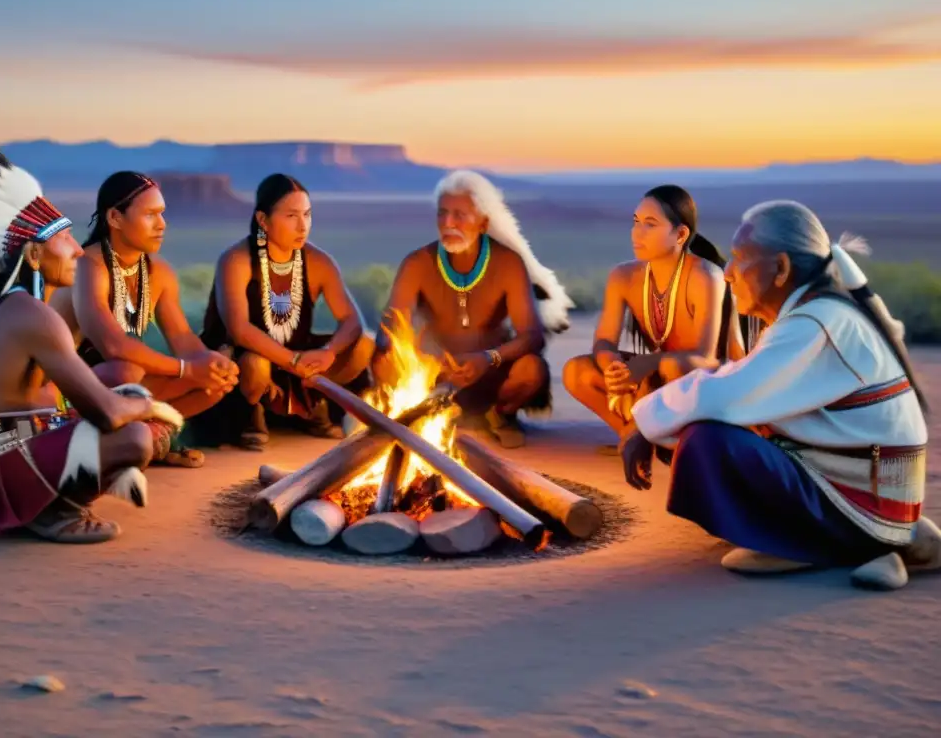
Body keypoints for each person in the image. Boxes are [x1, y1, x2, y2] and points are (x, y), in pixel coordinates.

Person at [628, 200, 939, 590]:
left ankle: (815, 545)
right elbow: (743, 388)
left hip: (864, 506)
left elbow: (727, 396)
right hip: (876, 498)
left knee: (706, 439)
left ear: (781, 269)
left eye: (739, 258)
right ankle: (875, 542)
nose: (727, 273)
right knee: (709, 420)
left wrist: (643, 424)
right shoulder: (819, 313)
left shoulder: (816, 322)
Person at [0, 134, 183, 544]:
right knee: (135, 436)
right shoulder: (33, 315)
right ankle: (52, 511)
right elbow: (108, 414)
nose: (78, 251)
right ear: (35, 256)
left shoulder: (13, 305)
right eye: (64, 240)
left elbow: (52, 398)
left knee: (124, 396)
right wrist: (150, 408)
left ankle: (49, 492)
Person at [372, 170, 574, 449]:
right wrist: (430, 360)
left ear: (483, 223)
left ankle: (499, 416)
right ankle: (423, 416)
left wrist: (487, 358)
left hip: (491, 374)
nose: (448, 223)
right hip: (435, 377)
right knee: (382, 360)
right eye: (442, 214)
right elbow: (388, 331)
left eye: (459, 215)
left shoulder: (507, 263)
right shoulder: (417, 263)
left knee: (532, 369)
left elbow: (532, 336)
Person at [49, 172, 238, 468]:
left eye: (162, 214)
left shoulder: (159, 273)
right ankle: (123, 444)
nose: (162, 224)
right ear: (115, 217)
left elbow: (183, 339)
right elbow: (113, 346)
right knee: (125, 373)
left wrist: (211, 364)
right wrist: (188, 369)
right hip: (61, 392)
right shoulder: (88, 266)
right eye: (150, 214)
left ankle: (151, 439)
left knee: (215, 383)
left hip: (112, 389)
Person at [562, 185, 752, 465]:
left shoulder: (704, 275)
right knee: (576, 372)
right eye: (636, 222)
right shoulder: (623, 276)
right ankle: (633, 435)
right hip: (657, 378)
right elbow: (604, 339)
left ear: (680, 234)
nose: (637, 233)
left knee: (671, 367)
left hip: (709, 383)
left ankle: (679, 444)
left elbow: (705, 359)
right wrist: (612, 367)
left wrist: (648, 364)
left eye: (650, 225)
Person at [195, 173, 373, 448]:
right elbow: (238, 330)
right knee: (256, 364)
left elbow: (351, 320)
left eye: (307, 214)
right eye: (291, 216)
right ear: (263, 220)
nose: (303, 226)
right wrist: (293, 361)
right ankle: (251, 415)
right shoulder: (236, 260)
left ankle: (310, 407)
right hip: (244, 365)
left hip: (298, 362)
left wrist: (328, 353)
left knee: (364, 345)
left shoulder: (318, 262)